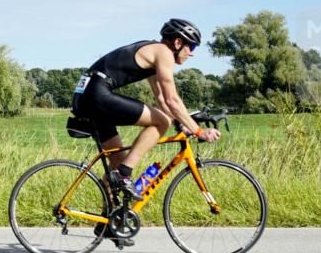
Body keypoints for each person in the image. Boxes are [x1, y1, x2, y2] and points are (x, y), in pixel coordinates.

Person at [71, 18, 222, 207]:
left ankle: (110, 221)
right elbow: (172, 100)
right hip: (97, 94)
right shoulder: (164, 53)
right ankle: (124, 173)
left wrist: (181, 123)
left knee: (117, 161)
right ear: (177, 42)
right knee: (161, 123)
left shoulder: (153, 52)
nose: (191, 54)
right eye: (191, 47)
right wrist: (198, 131)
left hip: (86, 95)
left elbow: (161, 98)